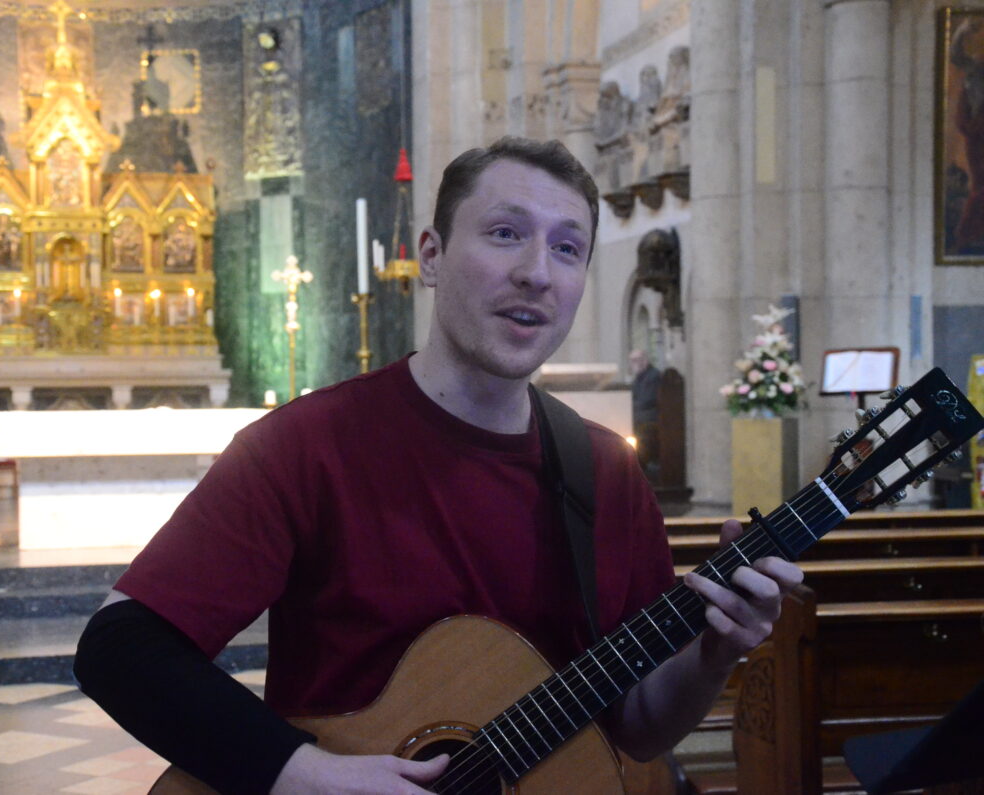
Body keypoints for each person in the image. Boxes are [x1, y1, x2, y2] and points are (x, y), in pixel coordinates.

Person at [74, 137, 803, 794]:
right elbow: (120, 647)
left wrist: (712, 652)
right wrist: (307, 774)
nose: (536, 273)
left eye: (567, 248)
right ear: (430, 255)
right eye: (505, 233)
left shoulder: (608, 474)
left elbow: (638, 727)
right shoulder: (306, 446)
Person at [629, 348, 662, 476]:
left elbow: (647, 400)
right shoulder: (638, 378)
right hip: (642, 415)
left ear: (645, 360)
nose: (634, 363)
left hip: (651, 417)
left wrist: (630, 406)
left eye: (636, 360)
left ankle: (645, 464)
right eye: (632, 361)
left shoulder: (653, 375)